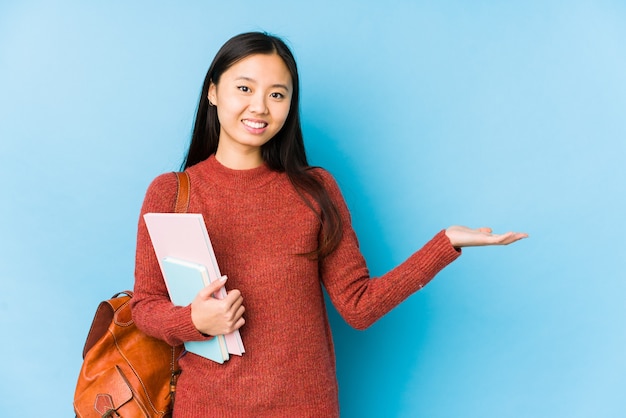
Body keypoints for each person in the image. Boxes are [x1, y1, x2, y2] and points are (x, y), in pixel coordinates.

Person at [131, 31, 527, 417]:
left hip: (306, 407)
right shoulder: (171, 193)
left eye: (277, 94)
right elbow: (145, 307)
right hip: (207, 407)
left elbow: (359, 306)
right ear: (213, 92)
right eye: (245, 88)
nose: (260, 107)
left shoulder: (314, 190)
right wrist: (193, 321)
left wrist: (445, 244)